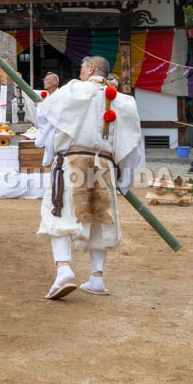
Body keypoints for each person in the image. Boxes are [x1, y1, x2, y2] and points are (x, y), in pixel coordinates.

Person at [34, 55, 144, 300]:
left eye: (82, 67)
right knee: (99, 219)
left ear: (91, 68)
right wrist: (124, 179)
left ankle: (63, 270)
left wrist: (48, 152)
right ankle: (96, 278)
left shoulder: (73, 89)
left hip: (72, 161)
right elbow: (133, 145)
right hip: (104, 166)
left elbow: (49, 124)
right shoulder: (124, 101)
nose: (80, 71)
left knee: (59, 214)